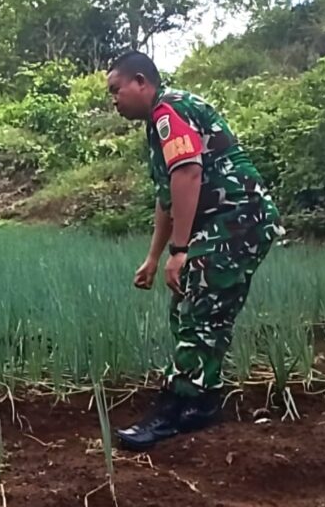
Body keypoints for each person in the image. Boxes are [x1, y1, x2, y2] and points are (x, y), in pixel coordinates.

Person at [106, 50, 283, 451]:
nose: (113, 100)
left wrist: (181, 250)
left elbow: (188, 172)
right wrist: (154, 258)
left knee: (197, 307)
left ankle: (173, 408)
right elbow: (168, 196)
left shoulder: (170, 111)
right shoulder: (160, 123)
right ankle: (202, 401)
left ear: (141, 82)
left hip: (239, 219)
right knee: (201, 307)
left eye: (116, 90)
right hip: (233, 223)